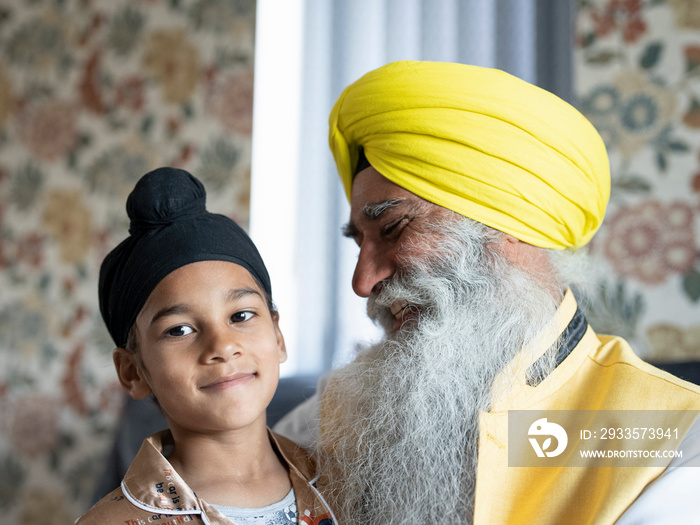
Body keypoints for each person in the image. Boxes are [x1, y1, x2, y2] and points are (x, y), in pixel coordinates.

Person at [274, 61, 700, 524]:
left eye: (394, 227)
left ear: (510, 225)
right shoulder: (335, 410)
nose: (362, 282)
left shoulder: (672, 439)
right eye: (360, 243)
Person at [77, 167, 336, 525]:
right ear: (133, 371)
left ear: (277, 337)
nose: (223, 345)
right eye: (180, 329)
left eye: (241, 316)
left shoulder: (343, 486)